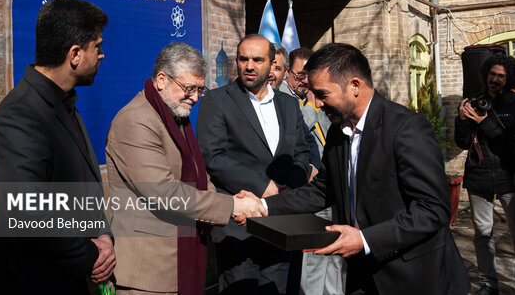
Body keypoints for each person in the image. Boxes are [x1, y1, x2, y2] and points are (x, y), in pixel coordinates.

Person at [262, 43, 470, 295]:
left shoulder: (407, 128)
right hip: (362, 276)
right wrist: (264, 207)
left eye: (322, 93)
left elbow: (433, 209)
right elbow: (323, 190)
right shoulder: (338, 133)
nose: (315, 103)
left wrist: (364, 240)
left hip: (415, 277)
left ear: (355, 86)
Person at [105, 42, 267, 295]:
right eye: (188, 88)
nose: (194, 98)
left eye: (200, 90)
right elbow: (165, 194)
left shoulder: (174, 117)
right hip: (148, 273)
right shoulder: (136, 121)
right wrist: (233, 206)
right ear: (161, 79)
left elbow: (199, 177)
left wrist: (229, 199)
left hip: (180, 261)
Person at [0, 0, 116, 294]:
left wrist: (103, 235)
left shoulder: (64, 102)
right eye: (98, 47)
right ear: (75, 54)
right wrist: (93, 257)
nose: (103, 56)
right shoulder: (21, 115)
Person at [197, 34, 314, 294]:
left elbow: (301, 153)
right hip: (240, 227)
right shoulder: (216, 101)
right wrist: (265, 187)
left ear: (273, 64)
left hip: (284, 223)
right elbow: (213, 157)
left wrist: (287, 189)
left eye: (257, 59)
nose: (249, 66)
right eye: (243, 59)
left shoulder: (288, 104)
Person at [455, 54, 515, 295]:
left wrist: (484, 122)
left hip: (510, 178)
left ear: (509, 78)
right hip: (479, 177)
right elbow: (462, 142)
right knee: (482, 234)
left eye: (501, 76)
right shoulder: (475, 102)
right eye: (492, 74)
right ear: (485, 74)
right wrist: (461, 119)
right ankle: (488, 284)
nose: (495, 79)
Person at [279, 47, 342, 295]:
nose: (304, 80)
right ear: (287, 73)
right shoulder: (284, 100)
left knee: (332, 260)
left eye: (310, 75)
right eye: (300, 75)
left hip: (329, 188)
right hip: (308, 192)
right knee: (312, 263)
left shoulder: (314, 101)